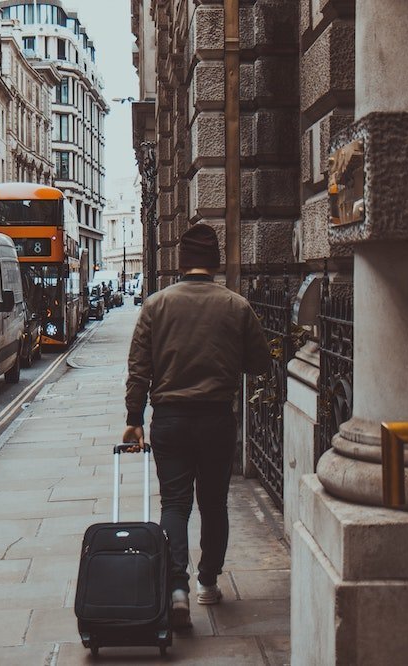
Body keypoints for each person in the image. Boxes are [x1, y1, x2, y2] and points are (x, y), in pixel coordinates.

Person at [123, 223, 272, 629]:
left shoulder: (156, 305)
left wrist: (134, 419)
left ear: (181, 261)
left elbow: (139, 369)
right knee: (213, 503)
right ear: (215, 262)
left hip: (169, 419)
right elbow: (260, 363)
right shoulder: (236, 306)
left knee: (174, 505)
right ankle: (208, 581)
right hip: (216, 420)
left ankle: (176, 589)